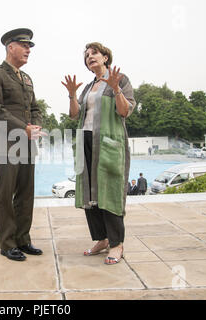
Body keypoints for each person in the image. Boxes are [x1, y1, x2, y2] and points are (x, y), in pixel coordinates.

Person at [62, 42, 135, 265]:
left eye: (94, 53)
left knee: (110, 191)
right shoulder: (88, 87)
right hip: (86, 143)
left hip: (109, 144)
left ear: (105, 57)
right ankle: (102, 239)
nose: (89, 57)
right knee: (89, 194)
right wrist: (73, 95)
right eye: (86, 55)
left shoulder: (120, 79)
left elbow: (125, 111)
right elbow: (74, 115)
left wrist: (116, 89)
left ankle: (117, 244)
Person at [0, 28, 45, 262]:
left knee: (26, 193)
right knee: (6, 193)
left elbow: (35, 109)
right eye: (24, 45)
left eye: (30, 46)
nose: (29, 50)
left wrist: (35, 127)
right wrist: (24, 128)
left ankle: (23, 239)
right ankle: (7, 244)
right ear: (11, 47)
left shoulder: (26, 78)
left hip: (28, 143)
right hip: (7, 142)